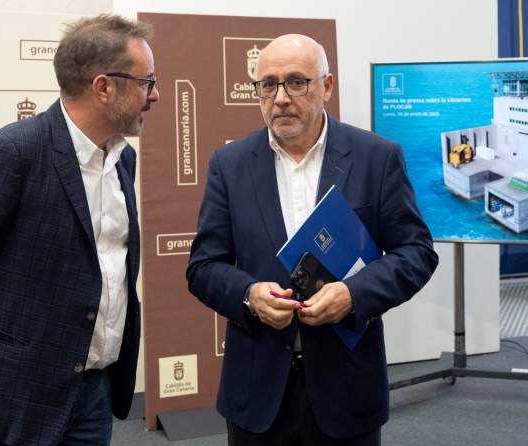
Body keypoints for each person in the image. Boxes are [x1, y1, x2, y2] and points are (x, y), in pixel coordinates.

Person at [186, 34, 438, 446]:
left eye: (296, 82)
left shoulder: (377, 157)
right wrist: (249, 295)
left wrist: (353, 295)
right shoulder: (229, 165)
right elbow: (203, 267)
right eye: (268, 85)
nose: (281, 98)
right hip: (257, 390)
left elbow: (416, 253)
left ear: (327, 86)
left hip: (347, 388)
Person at [0, 14, 159, 446]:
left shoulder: (122, 159)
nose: (155, 94)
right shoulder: (12, 154)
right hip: (5, 398)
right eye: (147, 82)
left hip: (92, 396)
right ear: (104, 87)